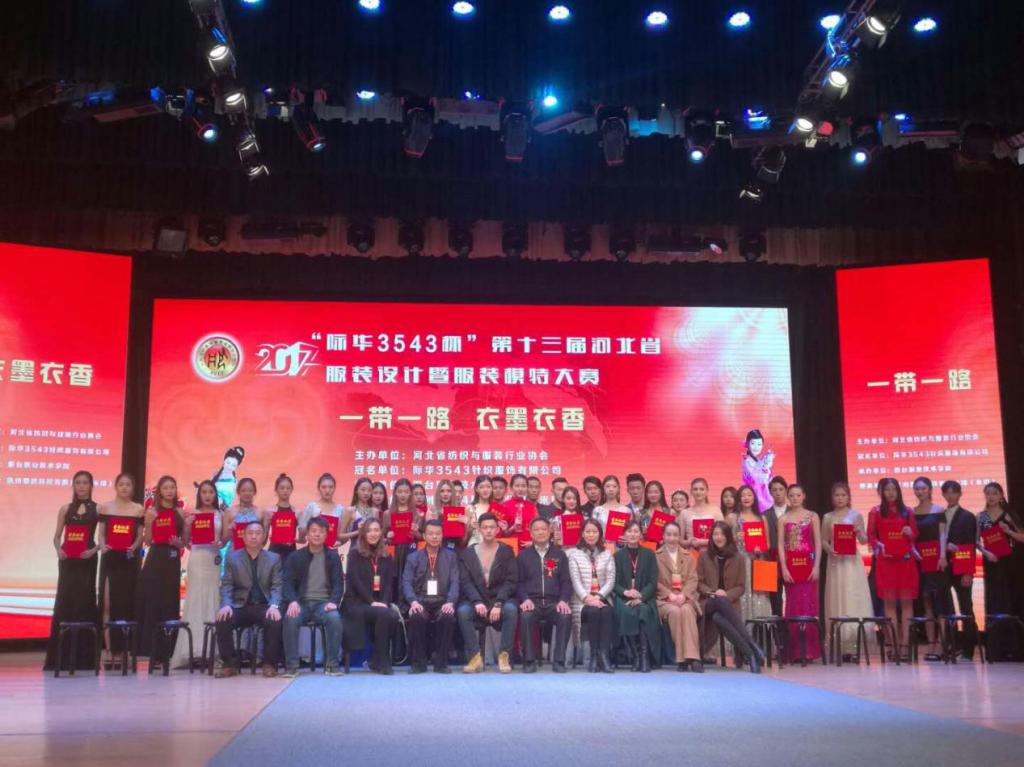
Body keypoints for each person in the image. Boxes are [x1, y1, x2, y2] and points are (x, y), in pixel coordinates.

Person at [43, 470, 101, 672]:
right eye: (78, 482)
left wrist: (93, 550)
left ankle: (84, 660)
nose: (82, 486)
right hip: (68, 561)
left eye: (85, 482)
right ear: (73, 486)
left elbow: (103, 539)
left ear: (91, 486)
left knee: (85, 602)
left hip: (87, 560)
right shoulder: (65, 509)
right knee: (65, 601)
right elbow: (56, 537)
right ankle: (59, 659)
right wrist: (58, 550)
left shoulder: (98, 509)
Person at [215, 521, 283, 677]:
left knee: (274, 620)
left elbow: (277, 586)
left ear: (264, 537)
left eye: (258, 533)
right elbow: (227, 585)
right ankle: (230, 664)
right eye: (250, 533)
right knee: (223, 619)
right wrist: (226, 605)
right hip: (240, 605)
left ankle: (269, 664)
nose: (254, 536)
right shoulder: (232, 557)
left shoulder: (274, 558)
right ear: (243, 537)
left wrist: (274, 605)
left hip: (264, 605)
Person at [697, 522, 765, 673]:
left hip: (728, 605)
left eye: (722, 534)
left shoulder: (738, 557)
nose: (718, 537)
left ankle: (750, 654)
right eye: (715, 534)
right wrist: (713, 592)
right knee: (718, 605)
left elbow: (741, 587)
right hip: (708, 603)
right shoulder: (704, 556)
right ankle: (753, 646)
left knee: (718, 618)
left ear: (728, 536)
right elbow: (699, 583)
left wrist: (726, 594)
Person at [281, 517, 344, 677]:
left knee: (334, 618)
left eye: (321, 532)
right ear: (307, 534)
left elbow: (338, 583)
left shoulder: (333, 556)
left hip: (324, 604)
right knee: (290, 618)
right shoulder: (295, 557)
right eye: (314, 531)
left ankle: (332, 664)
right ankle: (292, 666)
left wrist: (333, 602)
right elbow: (287, 583)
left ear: (326, 535)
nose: (317, 535)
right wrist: (292, 601)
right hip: (301, 603)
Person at [170, 480, 223, 669]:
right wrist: (186, 526)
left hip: (213, 559)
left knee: (213, 597)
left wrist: (221, 543)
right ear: (199, 494)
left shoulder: (220, 514)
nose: (207, 495)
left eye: (211, 492)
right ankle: (192, 650)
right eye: (204, 492)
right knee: (195, 598)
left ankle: (213, 650)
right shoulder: (192, 514)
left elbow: (224, 539)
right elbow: (186, 542)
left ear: (215, 495)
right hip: (198, 558)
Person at [457, 513, 518, 673]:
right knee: (463, 611)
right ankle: (475, 657)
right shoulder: (468, 553)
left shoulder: (506, 551)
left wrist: (499, 602)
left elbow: (511, 581)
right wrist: (476, 601)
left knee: (511, 610)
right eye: (485, 527)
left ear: (498, 529)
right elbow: (465, 582)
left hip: (500, 599)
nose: (489, 531)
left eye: (492, 527)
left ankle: (504, 656)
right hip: (476, 600)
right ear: (479, 529)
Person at [134, 475, 186, 663]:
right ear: (159, 491)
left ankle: (167, 650)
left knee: (169, 601)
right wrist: (150, 524)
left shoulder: (180, 512)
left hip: (172, 559)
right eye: (166, 488)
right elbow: (148, 541)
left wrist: (178, 543)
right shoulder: (152, 511)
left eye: (172, 487)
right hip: (155, 557)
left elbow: (185, 542)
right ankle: (150, 650)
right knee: (153, 601)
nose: (169, 491)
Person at [868, 477, 919, 658]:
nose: (890, 493)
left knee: (906, 603)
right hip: (886, 562)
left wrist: (910, 533)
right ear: (881, 492)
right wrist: (879, 545)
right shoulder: (875, 511)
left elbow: (914, 535)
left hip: (905, 562)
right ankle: (894, 644)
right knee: (889, 604)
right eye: (887, 489)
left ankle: (905, 645)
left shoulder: (908, 511)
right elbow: (871, 536)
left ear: (898, 491)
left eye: (894, 489)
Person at [821, 481, 873, 659]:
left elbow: (864, 540)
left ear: (848, 497)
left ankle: (854, 643)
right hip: (835, 562)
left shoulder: (855, 515)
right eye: (837, 495)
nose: (840, 498)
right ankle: (840, 645)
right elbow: (824, 540)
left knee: (853, 597)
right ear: (832, 498)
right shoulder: (828, 517)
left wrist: (859, 532)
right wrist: (830, 550)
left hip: (852, 562)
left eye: (843, 495)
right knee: (838, 597)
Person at [97, 472, 144, 668]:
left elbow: (140, 536)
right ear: (115, 486)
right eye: (121, 484)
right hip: (110, 559)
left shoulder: (138, 509)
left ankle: (123, 651)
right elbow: (101, 534)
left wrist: (134, 546)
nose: (124, 487)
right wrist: (102, 546)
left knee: (126, 605)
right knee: (108, 605)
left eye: (128, 484)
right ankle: (109, 650)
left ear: (133, 488)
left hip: (128, 560)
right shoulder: (105, 507)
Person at [403, 519, 459, 673]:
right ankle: (418, 663)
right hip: (421, 601)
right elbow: (406, 582)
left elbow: (455, 582)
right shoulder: (413, 558)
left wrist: (450, 602)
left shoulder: (451, 556)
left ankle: (441, 663)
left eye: (438, 534)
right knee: (416, 616)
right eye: (431, 534)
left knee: (447, 616)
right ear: (424, 536)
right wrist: (413, 601)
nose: (434, 537)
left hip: (442, 601)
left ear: (442, 536)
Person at [517, 517, 573, 672]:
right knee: (526, 616)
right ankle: (529, 660)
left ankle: (559, 660)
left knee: (565, 616)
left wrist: (563, 600)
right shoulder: (523, 556)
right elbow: (518, 583)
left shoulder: (560, 555)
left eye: (543, 529)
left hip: (554, 602)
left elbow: (566, 581)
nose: (540, 532)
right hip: (532, 602)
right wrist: (525, 599)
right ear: (531, 533)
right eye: (536, 529)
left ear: (550, 532)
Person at [342, 519, 397, 675]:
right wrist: (372, 602)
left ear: (381, 533)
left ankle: (376, 659)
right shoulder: (355, 553)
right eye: (369, 530)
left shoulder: (386, 555)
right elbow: (355, 581)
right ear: (364, 533)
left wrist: (384, 602)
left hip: (379, 603)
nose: (373, 534)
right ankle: (382, 661)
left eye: (376, 530)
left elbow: (388, 583)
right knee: (385, 614)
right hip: (357, 602)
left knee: (391, 615)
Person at [978, 482, 1024, 661]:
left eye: (994, 493)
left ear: (1001, 495)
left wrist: (1009, 531)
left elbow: (1022, 536)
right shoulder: (981, 517)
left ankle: (1014, 648)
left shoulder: (1009, 514)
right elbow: (975, 541)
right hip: (991, 562)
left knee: (1010, 601)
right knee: (995, 600)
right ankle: (996, 650)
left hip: (1009, 563)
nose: (991, 497)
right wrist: (986, 553)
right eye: (988, 493)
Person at [777, 484, 822, 662]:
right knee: (793, 605)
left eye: (798, 495)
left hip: (809, 567)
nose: (795, 498)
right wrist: (784, 568)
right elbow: (780, 545)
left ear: (804, 496)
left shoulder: (812, 516)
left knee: (809, 605)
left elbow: (817, 543)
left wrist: (816, 566)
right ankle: (795, 650)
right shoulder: (783, 519)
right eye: (792, 495)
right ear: (788, 497)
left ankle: (809, 650)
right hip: (791, 568)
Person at [567, 519, 615, 673]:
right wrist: (588, 598)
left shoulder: (607, 554)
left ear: (600, 534)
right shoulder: (574, 555)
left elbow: (610, 580)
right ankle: (594, 655)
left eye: (594, 531)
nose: (591, 535)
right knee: (594, 611)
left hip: (602, 598)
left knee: (607, 611)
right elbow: (575, 581)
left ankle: (603, 655)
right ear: (582, 533)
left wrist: (599, 597)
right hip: (582, 600)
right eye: (588, 531)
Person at [910, 477, 951, 660]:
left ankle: (942, 644)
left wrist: (943, 556)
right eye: (917, 489)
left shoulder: (938, 510)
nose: (920, 492)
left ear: (930, 490)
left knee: (940, 603)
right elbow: (912, 538)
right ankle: (931, 643)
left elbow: (943, 535)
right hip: (920, 561)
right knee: (926, 603)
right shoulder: (912, 512)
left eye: (923, 488)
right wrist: (913, 551)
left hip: (937, 561)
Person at [613, 520, 661, 671]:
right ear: (624, 534)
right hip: (623, 598)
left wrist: (640, 597)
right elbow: (614, 582)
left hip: (644, 597)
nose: (633, 534)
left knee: (643, 611)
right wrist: (626, 592)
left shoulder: (649, 554)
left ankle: (644, 656)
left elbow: (653, 582)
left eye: (636, 531)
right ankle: (636, 657)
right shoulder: (617, 556)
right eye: (629, 531)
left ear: (641, 534)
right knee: (626, 612)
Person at [655, 521, 702, 672]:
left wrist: (684, 595)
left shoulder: (689, 556)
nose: (672, 538)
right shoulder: (655, 557)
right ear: (663, 536)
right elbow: (653, 581)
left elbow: (693, 579)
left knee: (687, 611)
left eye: (675, 535)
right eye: (668, 534)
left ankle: (693, 658)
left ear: (679, 537)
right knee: (675, 612)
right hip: (664, 600)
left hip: (685, 598)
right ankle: (682, 659)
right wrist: (669, 595)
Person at [941, 480, 978, 659]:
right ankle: (952, 646)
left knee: (966, 607)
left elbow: (971, 544)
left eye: (953, 492)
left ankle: (969, 649)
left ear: (960, 494)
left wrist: (968, 572)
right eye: (947, 493)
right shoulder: (940, 515)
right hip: (943, 567)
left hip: (962, 566)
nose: (950, 496)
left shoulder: (967, 516)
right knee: (947, 608)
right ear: (943, 495)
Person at [733, 485, 774, 622]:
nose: (746, 498)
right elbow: (725, 542)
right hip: (740, 560)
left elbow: (767, 543)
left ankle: (760, 630)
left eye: (749, 495)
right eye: (743, 495)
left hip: (758, 561)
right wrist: (735, 538)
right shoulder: (733, 517)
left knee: (760, 595)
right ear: (739, 498)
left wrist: (760, 549)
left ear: (754, 498)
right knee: (742, 593)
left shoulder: (761, 518)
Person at [298, 473, 345, 548]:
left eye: (331, 487)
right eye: (324, 487)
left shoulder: (340, 509)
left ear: (334, 488)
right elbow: (302, 534)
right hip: (313, 550)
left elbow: (341, 536)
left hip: (332, 551)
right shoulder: (312, 507)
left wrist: (340, 543)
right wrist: (312, 521)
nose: (327, 490)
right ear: (318, 488)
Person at [764, 475, 789, 615]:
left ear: (786, 490)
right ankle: (778, 627)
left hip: (791, 560)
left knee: (792, 596)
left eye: (781, 489)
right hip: (770, 560)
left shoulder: (794, 513)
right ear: (770, 492)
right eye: (774, 490)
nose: (778, 493)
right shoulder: (764, 515)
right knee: (774, 600)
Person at [681, 478, 724, 553]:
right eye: (695, 489)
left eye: (702, 489)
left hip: (713, 553)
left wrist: (702, 542)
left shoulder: (715, 510)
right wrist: (688, 542)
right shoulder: (684, 513)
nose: (698, 492)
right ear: (691, 492)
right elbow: (679, 540)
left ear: (707, 491)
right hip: (692, 554)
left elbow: (723, 535)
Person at [223, 478, 264, 551]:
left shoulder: (261, 512)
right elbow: (224, 540)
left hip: (254, 553)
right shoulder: (229, 511)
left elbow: (263, 540)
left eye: (250, 490)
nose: (247, 493)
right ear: (238, 492)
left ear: (254, 492)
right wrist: (229, 529)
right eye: (243, 490)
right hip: (234, 553)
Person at [741, 429, 775, 514]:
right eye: (753, 443)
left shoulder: (757, 461)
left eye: (759, 444)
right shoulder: (747, 461)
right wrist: (765, 467)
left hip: (764, 496)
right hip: (756, 497)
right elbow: (755, 479)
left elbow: (768, 479)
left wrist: (766, 465)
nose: (756, 447)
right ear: (747, 443)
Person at [267, 474, 298, 564]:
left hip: (291, 552)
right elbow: (263, 537)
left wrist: (294, 539)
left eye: (288, 488)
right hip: (274, 552)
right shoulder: (270, 511)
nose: (285, 491)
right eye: (282, 488)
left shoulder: (297, 512)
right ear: (276, 490)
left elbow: (303, 539)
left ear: (291, 490)